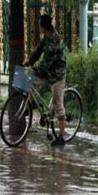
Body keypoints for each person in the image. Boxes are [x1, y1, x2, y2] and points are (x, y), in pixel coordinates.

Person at [23, 14, 67, 146]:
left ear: (44, 26)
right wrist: (29, 61)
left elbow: (48, 63)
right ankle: (32, 104)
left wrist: (37, 68)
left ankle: (62, 137)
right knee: (30, 77)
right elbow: (38, 51)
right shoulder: (46, 38)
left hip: (57, 76)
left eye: (39, 25)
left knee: (58, 106)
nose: (38, 27)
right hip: (48, 72)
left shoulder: (55, 41)